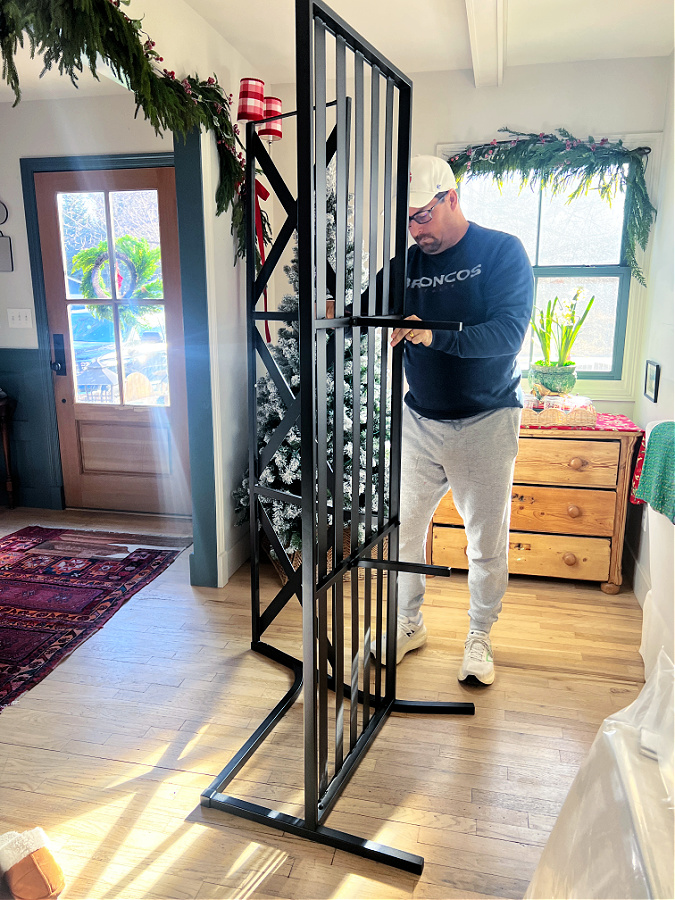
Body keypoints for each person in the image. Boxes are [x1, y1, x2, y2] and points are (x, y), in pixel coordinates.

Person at [380, 154, 534, 685]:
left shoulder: (501, 251)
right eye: (407, 220)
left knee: (484, 542)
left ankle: (480, 636)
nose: (415, 229)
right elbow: (364, 309)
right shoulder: (405, 265)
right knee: (402, 532)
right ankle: (406, 622)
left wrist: (433, 331)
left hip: (487, 420)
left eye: (423, 215)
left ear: (450, 198)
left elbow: (508, 335)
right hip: (419, 422)